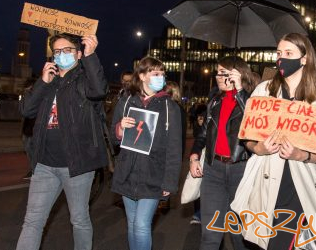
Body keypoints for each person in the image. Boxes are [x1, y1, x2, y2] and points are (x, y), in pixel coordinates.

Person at [240, 32, 316, 250]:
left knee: (280, 243)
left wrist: (301, 155)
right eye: (278, 53)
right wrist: (258, 148)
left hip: (299, 185)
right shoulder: (264, 92)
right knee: (263, 242)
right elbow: (246, 137)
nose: (281, 58)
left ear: (304, 59)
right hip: (265, 180)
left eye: (288, 53)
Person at [16, 33, 108, 250]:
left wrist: (91, 56)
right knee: (32, 221)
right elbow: (27, 110)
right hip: (44, 164)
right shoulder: (48, 81)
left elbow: (99, 90)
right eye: (57, 51)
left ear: (77, 54)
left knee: (79, 219)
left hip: (77, 165)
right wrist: (42, 82)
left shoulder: (84, 80)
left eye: (67, 50)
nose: (61, 55)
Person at [189, 55, 261, 250]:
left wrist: (239, 91)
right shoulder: (215, 101)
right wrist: (194, 156)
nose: (218, 77)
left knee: (240, 235)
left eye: (223, 73)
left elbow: (255, 121)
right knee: (210, 235)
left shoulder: (253, 99)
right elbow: (203, 135)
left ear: (237, 75)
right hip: (213, 171)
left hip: (241, 171)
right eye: (218, 72)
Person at [111, 57, 182, 250]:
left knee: (141, 225)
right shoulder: (126, 102)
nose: (161, 78)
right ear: (142, 76)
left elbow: (174, 149)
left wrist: (170, 182)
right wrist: (120, 128)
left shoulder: (170, 108)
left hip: (153, 175)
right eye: (155, 73)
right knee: (132, 224)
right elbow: (113, 137)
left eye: (162, 74)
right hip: (128, 172)